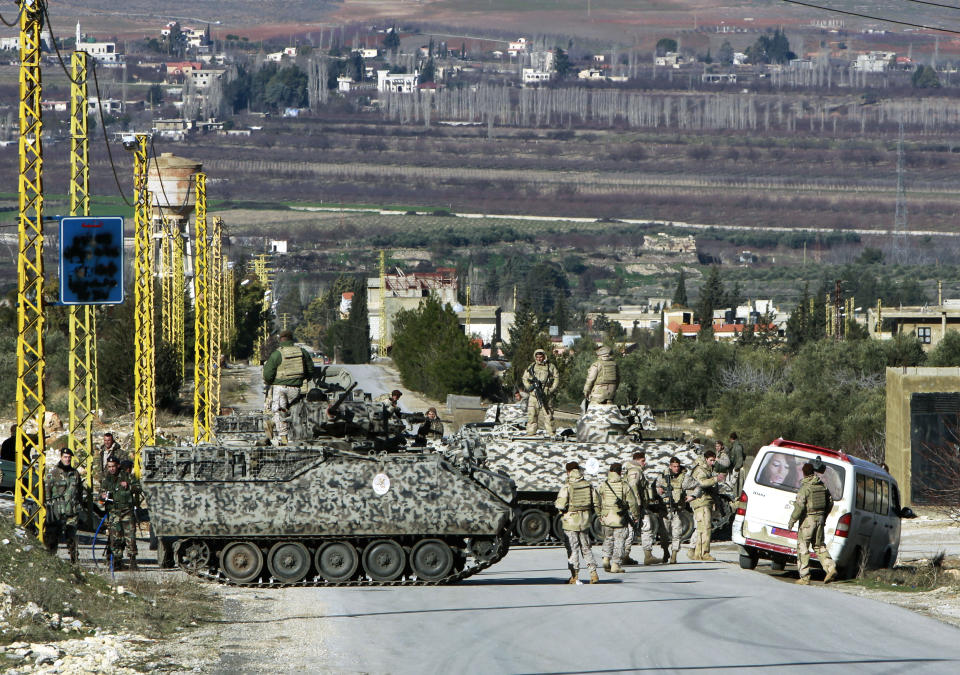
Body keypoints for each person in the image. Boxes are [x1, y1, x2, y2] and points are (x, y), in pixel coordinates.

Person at [788, 462, 838, 585]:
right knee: (819, 545)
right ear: (813, 472)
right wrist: (823, 516)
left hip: (808, 520)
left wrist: (792, 520)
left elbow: (799, 507)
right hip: (820, 519)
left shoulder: (805, 487)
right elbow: (830, 502)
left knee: (803, 546)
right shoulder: (822, 486)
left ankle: (804, 577)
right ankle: (831, 568)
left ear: (804, 473)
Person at [262, 329, 315, 445]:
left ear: (281, 340)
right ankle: (292, 433)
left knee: (279, 411)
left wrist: (271, 382)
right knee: (294, 412)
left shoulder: (277, 354)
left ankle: (283, 436)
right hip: (296, 389)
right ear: (292, 339)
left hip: (280, 388)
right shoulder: (302, 352)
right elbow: (311, 369)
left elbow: (267, 374)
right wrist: (303, 378)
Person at [555, 461, 601, 584]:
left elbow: (560, 504)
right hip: (585, 521)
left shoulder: (567, 486)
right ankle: (594, 574)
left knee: (573, 549)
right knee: (586, 548)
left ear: (568, 472)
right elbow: (596, 502)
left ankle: (574, 576)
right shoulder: (588, 485)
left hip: (570, 522)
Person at [100, 455, 143, 570]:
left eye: (113, 466)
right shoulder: (106, 480)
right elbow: (101, 493)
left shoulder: (127, 476)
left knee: (130, 537)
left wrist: (129, 486)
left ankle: (132, 561)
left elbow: (139, 487)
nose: (112, 469)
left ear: (118, 466)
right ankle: (117, 561)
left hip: (126, 512)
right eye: (109, 467)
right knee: (115, 538)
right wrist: (103, 496)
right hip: (114, 512)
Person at [624, 451, 665, 566]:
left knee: (631, 530)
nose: (644, 463)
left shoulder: (633, 470)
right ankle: (647, 556)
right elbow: (633, 487)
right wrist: (637, 505)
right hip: (636, 506)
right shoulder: (635, 471)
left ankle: (626, 555)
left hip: (635, 505)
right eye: (642, 460)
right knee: (645, 528)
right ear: (637, 460)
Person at [44, 448, 84, 564]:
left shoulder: (75, 473)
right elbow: (47, 492)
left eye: (69, 457)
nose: (67, 459)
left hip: (71, 511)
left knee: (71, 537)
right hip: (57, 512)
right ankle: (50, 561)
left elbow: (79, 491)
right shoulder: (53, 473)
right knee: (52, 538)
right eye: (65, 457)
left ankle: (74, 561)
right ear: (61, 457)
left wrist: (79, 506)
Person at [599, 462, 639, 574]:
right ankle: (615, 565)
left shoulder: (604, 484)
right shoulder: (624, 485)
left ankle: (606, 559)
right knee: (619, 541)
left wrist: (600, 514)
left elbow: (598, 499)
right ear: (620, 472)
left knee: (608, 539)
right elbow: (632, 502)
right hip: (619, 517)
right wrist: (635, 515)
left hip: (606, 517)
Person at [685, 449, 724, 562]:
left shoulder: (707, 469)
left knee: (702, 528)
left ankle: (697, 552)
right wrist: (715, 479)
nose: (713, 462)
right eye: (711, 460)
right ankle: (704, 553)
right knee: (705, 528)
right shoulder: (701, 470)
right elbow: (701, 483)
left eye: (714, 460)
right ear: (706, 459)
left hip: (705, 501)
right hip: (701, 501)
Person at [658, 457, 689, 564]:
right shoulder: (662, 476)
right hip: (665, 510)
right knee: (664, 534)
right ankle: (666, 552)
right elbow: (654, 487)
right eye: (674, 466)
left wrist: (692, 496)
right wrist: (658, 490)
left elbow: (697, 486)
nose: (676, 468)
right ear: (670, 466)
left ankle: (674, 555)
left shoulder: (683, 477)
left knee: (677, 533)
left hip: (677, 510)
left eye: (678, 466)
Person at [522, 348, 559, 435]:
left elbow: (556, 378)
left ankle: (551, 433)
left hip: (545, 394)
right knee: (532, 415)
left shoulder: (550, 366)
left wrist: (552, 389)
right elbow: (525, 378)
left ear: (544, 356)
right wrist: (530, 388)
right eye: (537, 357)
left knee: (548, 414)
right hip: (534, 395)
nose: (539, 359)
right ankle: (531, 433)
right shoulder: (532, 366)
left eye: (541, 357)